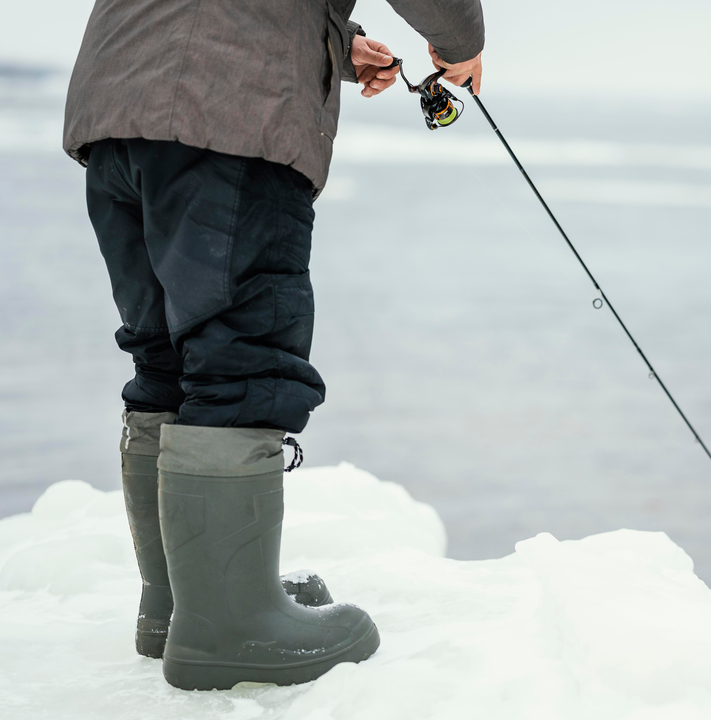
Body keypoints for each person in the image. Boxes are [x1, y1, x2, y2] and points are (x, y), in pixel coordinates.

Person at [62, 0, 484, 691]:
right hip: (227, 112)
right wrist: (460, 42)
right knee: (238, 355)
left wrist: (333, 42)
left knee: (167, 354)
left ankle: (183, 605)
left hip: (117, 108)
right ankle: (227, 625)